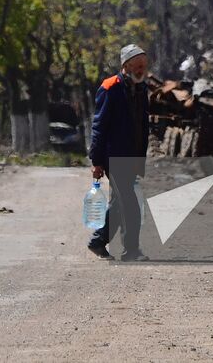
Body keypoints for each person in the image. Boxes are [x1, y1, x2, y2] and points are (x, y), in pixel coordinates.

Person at [87, 43, 149, 261]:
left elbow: (142, 124)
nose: (142, 69)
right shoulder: (109, 87)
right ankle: (131, 251)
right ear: (126, 65)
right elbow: (99, 127)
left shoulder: (142, 87)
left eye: (144, 65)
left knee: (118, 204)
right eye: (138, 65)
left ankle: (98, 241)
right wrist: (96, 161)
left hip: (131, 157)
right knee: (131, 204)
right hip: (114, 157)